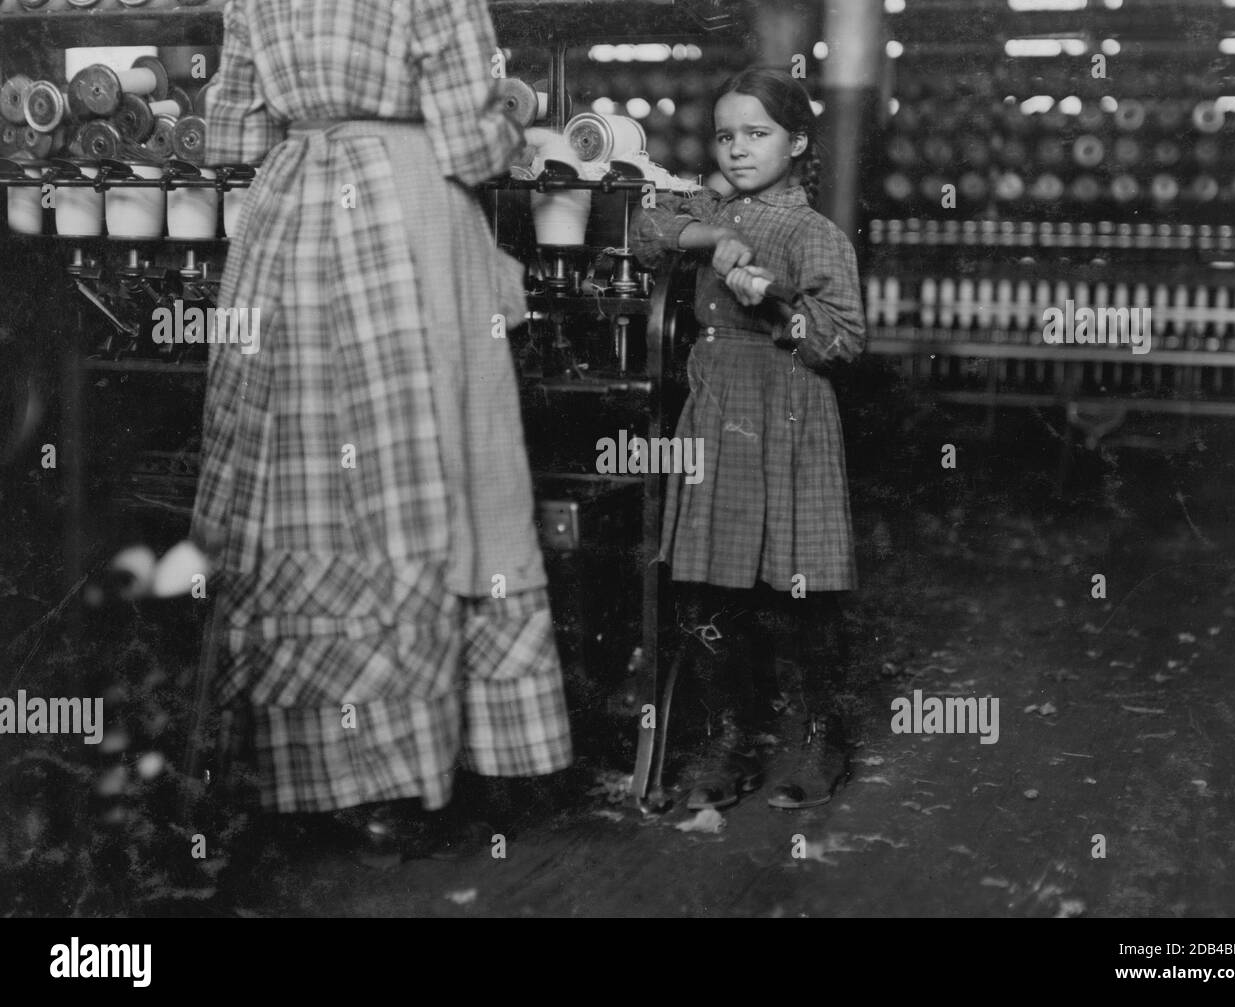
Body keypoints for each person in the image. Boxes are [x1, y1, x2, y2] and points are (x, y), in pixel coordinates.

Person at [190, 0, 572, 856]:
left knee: (289, 475)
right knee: (433, 467)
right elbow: (471, 143)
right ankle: (409, 772)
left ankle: (295, 767)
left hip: (286, 214)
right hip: (404, 216)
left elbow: (232, 138)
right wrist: (512, 110)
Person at [630, 67, 866, 811]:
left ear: (796, 142)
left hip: (788, 409)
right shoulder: (711, 207)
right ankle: (729, 739)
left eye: (757, 134)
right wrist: (715, 241)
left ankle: (820, 738)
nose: (737, 149)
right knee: (708, 583)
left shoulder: (813, 233)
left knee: (801, 590)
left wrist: (779, 303)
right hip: (718, 408)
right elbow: (646, 226)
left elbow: (841, 341)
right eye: (726, 135)